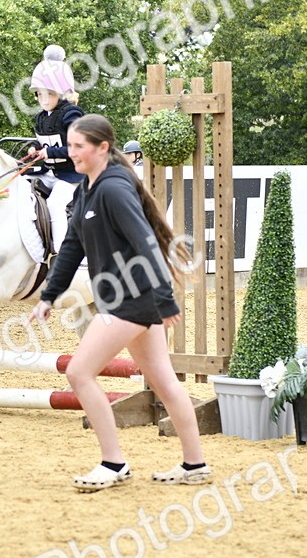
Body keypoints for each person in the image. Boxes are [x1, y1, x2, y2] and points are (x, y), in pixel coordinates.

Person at [31, 114, 209, 492]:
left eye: (79, 146)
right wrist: (49, 295)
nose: (72, 152)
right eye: (71, 145)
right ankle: (195, 463)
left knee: (79, 373)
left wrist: (163, 299)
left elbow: (146, 242)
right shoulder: (86, 190)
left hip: (132, 299)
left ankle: (113, 462)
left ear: (102, 148)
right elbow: (71, 247)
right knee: (163, 382)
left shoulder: (113, 189)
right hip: (127, 299)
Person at [27, 44, 84, 252]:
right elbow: (41, 141)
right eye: (38, 95)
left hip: (72, 175)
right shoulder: (41, 117)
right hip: (50, 172)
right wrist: (33, 148)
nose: (42, 100)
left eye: (47, 94)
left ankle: (61, 254)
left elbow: (77, 147)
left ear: (60, 94)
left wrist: (48, 152)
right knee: (20, 191)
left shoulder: (72, 114)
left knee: (55, 205)